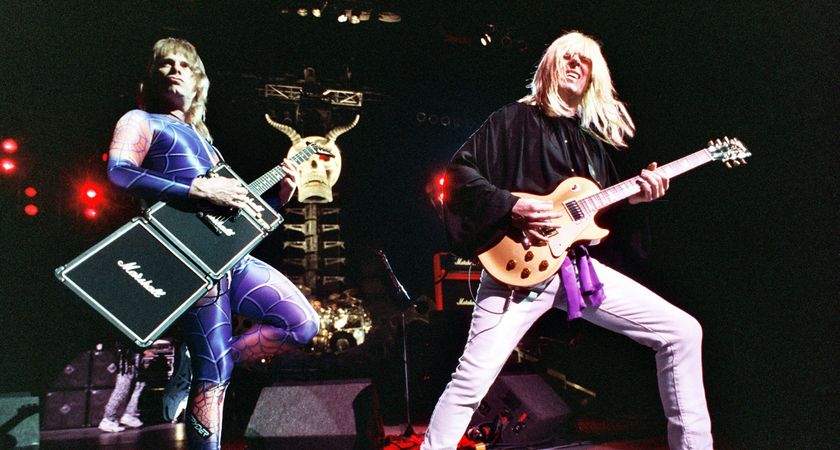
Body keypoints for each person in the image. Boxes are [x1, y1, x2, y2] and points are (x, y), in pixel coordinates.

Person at [421, 32, 713, 450]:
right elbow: (461, 177)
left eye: (586, 60)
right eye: (567, 57)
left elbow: (599, 218)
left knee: (682, 332)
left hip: (577, 270)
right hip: (517, 271)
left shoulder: (590, 144)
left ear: (595, 76)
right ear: (549, 67)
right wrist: (511, 206)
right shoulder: (511, 120)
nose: (576, 64)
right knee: (471, 381)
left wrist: (642, 194)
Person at [106, 37, 320, 449]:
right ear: (151, 78)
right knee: (215, 375)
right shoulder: (140, 119)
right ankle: (204, 376)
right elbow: (119, 172)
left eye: (183, 65)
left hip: (230, 260)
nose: (174, 70)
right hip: (192, 265)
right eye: (164, 64)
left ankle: (190, 368)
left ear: (198, 83)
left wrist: (280, 195)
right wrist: (197, 191)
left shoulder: (206, 142)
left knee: (303, 325)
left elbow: (237, 216)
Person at [97, 345, 147, 433]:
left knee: (139, 384)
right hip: (126, 353)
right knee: (123, 386)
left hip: (133, 352)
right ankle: (108, 419)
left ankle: (130, 413)